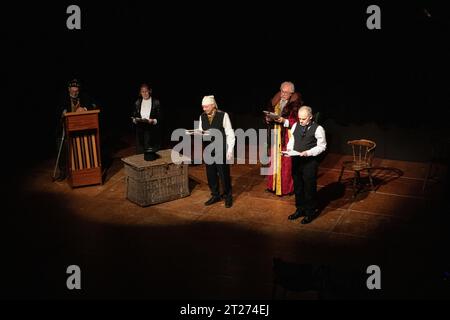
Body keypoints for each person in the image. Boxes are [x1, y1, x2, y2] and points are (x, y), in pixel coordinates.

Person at [286, 106, 327, 224]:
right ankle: (300, 209)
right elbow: (292, 140)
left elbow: (322, 146)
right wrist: (289, 150)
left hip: (309, 162)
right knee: (298, 187)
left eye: (303, 119)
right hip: (296, 160)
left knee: (309, 188)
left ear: (310, 117)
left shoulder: (318, 129)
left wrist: (308, 153)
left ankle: (310, 212)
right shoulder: (295, 125)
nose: (301, 121)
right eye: (299, 119)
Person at [54, 79, 97, 181]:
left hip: (80, 129)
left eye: (77, 90)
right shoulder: (62, 97)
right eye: (73, 90)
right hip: (64, 129)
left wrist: (85, 108)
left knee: (83, 146)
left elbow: (94, 105)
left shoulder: (84, 96)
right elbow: (57, 110)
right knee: (62, 146)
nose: (75, 92)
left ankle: (80, 171)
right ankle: (63, 172)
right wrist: (63, 113)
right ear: (69, 89)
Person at [265, 81, 303, 196]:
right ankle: (273, 186)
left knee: (286, 163)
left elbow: (298, 121)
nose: (283, 94)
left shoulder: (296, 105)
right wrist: (268, 118)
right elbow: (271, 113)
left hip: (287, 136)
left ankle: (286, 188)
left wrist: (284, 121)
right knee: (274, 160)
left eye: (286, 92)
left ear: (291, 93)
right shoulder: (276, 101)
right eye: (282, 91)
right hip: (276, 134)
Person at [198, 95, 235, 208]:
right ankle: (215, 195)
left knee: (224, 174)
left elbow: (230, 133)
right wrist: (199, 133)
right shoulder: (202, 116)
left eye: (206, 107)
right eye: (203, 107)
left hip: (220, 149)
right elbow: (201, 130)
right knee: (211, 174)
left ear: (213, 105)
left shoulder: (223, 115)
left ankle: (228, 196)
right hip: (209, 149)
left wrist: (230, 150)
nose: (204, 109)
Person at [132, 83, 162, 156]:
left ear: (150, 91)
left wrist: (153, 121)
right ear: (140, 93)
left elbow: (160, 117)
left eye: (146, 91)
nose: (144, 93)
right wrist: (135, 120)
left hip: (152, 130)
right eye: (143, 92)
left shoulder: (156, 102)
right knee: (141, 153)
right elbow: (134, 115)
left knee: (151, 153)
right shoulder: (137, 102)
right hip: (140, 129)